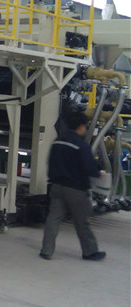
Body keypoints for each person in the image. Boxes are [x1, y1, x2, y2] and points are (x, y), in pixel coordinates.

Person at [39, 110, 106, 261]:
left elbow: (50, 162)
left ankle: (46, 250)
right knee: (82, 221)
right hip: (75, 189)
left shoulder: (57, 142)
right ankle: (90, 251)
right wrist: (98, 174)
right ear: (81, 126)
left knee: (53, 219)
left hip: (56, 186)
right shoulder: (81, 145)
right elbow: (88, 168)